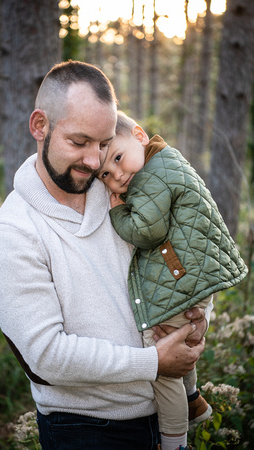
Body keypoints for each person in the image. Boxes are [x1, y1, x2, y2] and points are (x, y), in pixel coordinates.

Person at [0, 61, 209, 450]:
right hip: (84, 431)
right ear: (40, 126)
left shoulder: (122, 189)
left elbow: (185, 254)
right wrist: (153, 362)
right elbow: (48, 356)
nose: (94, 160)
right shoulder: (11, 233)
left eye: (103, 143)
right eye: (79, 141)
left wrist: (197, 321)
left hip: (165, 415)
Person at [97, 111, 248, 450]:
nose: (117, 176)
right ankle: (194, 399)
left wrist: (118, 212)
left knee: (163, 364)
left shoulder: (152, 177)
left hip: (184, 280)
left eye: (118, 159)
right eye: (105, 174)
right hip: (191, 278)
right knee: (181, 344)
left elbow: (148, 231)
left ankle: (174, 443)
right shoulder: (165, 161)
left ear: (139, 135)